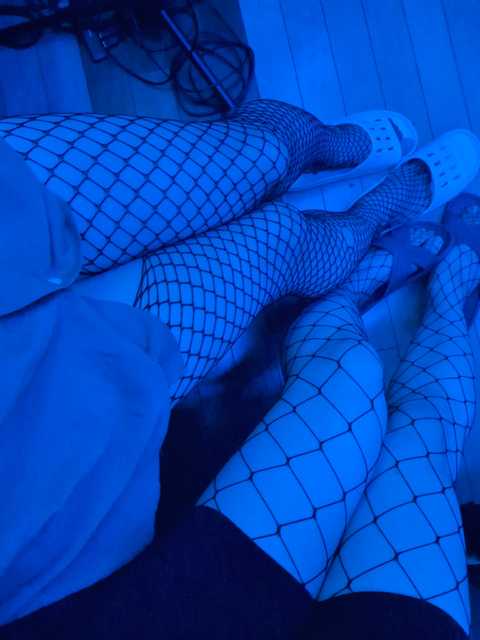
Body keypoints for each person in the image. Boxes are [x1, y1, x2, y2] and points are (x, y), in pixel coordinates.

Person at [0, 99, 478, 639]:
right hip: (45, 465)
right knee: (310, 294)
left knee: (261, 159)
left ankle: (326, 152)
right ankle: (383, 263)